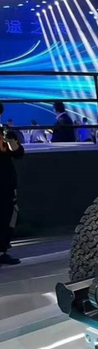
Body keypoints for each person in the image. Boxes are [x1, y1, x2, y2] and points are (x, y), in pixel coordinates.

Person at [0, 104, 25, 265]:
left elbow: (18, 153)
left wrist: (10, 140)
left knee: (7, 214)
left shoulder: (5, 131)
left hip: (5, 182)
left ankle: (2, 250)